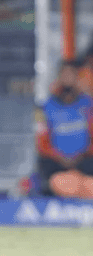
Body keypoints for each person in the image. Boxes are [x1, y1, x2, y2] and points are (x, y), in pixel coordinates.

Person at [34, 59, 93, 198]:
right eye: (65, 75)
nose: (68, 79)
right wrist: (60, 157)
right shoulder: (44, 107)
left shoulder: (88, 104)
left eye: (72, 75)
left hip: (84, 161)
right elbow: (41, 141)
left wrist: (80, 156)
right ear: (59, 77)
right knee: (49, 173)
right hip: (56, 162)